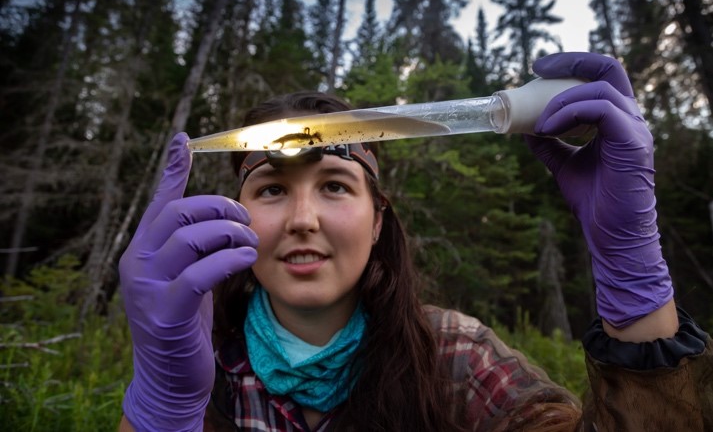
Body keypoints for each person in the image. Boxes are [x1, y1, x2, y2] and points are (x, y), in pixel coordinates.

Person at [117, 52, 713, 432]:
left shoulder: (457, 360)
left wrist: (634, 277)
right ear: (236, 214)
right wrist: (162, 411)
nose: (303, 219)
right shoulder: (199, 366)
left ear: (378, 221)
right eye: (271, 189)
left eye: (334, 185)